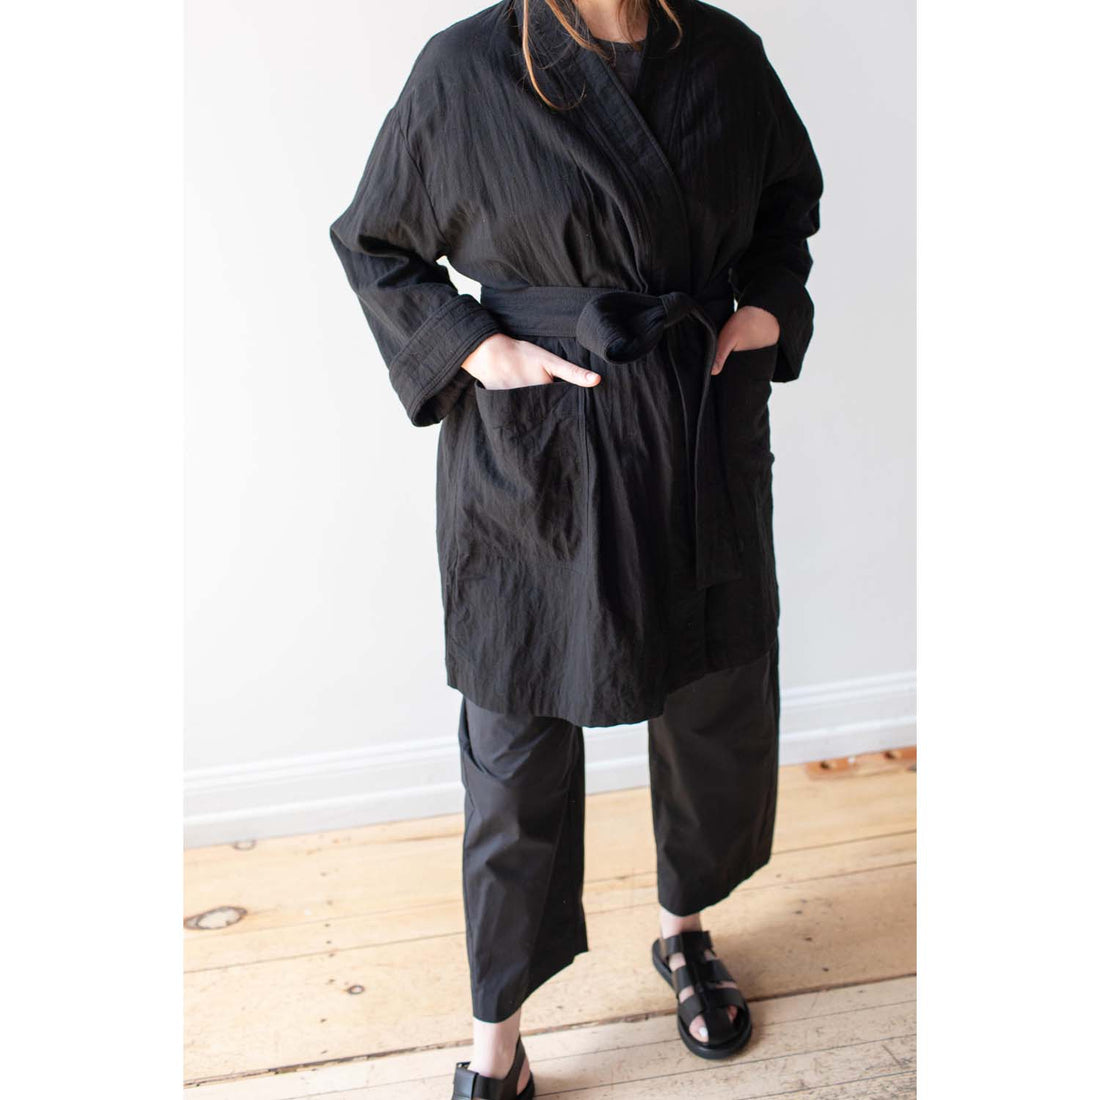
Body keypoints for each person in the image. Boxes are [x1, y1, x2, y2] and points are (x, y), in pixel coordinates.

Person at [329, 0, 823, 1095]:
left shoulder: (725, 57)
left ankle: (683, 928)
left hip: (696, 426)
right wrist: (473, 347)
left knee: (709, 699)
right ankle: (495, 1039)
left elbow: (787, 206)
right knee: (516, 738)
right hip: (537, 452)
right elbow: (376, 242)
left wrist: (768, 310)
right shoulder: (466, 69)